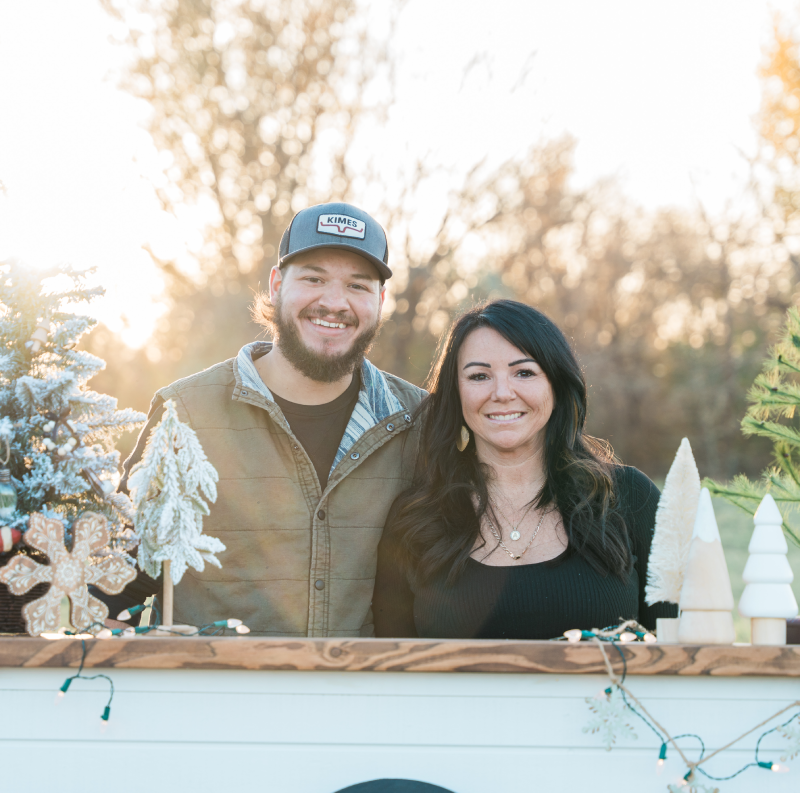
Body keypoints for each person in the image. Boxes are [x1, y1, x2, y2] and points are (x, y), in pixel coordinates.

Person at [102, 203, 425, 636]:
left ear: (380, 301)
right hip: (212, 695)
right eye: (313, 278)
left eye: (357, 285)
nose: (334, 302)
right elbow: (117, 583)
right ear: (276, 285)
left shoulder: (418, 421)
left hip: (360, 697)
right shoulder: (186, 412)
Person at [372, 299, 677, 639]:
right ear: (455, 393)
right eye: (479, 376)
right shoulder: (415, 519)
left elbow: (683, 653)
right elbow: (393, 677)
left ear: (557, 385)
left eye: (524, 372)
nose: (502, 393)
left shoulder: (630, 498)